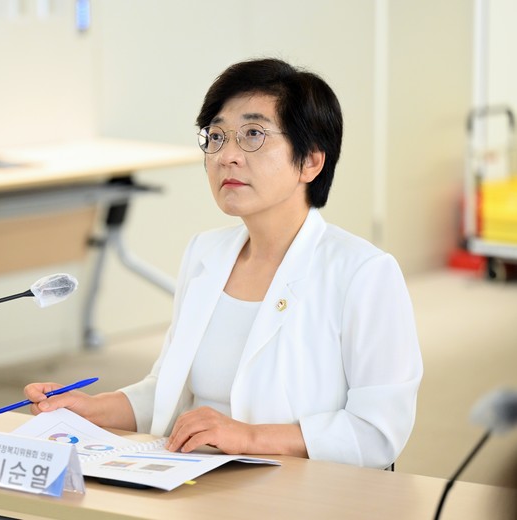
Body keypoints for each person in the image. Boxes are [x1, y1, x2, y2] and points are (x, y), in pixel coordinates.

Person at [24, 58, 423, 469]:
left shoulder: (363, 273)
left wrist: (248, 437)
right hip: (191, 477)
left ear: (310, 162)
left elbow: (377, 432)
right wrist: (92, 408)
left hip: (297, 490)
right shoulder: (205, 253)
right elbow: (169, 392)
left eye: (253, 135)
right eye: (216, 136)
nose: (227, 156)